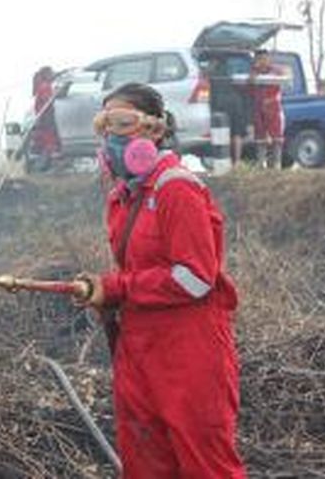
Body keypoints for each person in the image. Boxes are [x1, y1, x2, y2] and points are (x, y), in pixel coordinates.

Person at [76, 83, 246, 478]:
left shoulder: (177, 188)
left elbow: (195, 278)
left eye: (122, 124)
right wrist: (102, 292)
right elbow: (136, 269)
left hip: (190, 352)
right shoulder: (123, 197)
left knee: (206, 465)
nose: (111, 138)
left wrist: (117, 287)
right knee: (144, 465)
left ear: (154, 131)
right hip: (139, 349)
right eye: (104, 126)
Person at [206, 56, 249, 166]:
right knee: (236, 133)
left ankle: (226, 161)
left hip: (221, 104)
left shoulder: (212, 73)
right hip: (237, 103)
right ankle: (237, 161)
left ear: (214, 61)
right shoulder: (237, 68)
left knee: (223, 133)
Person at [249, 50, 285, 169]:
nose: (262, 61)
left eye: (264, 58)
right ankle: (260, 163)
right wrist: (252, 79)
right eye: (259, 59)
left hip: (273, 107)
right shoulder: (253, 72)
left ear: (268, 59)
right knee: (260, 136)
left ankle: (277, 163)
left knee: (277, 136)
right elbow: (248, 90)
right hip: (258, 108)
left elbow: (283, 79)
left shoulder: (276, 71)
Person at [31, 66, 61, 167]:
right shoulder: (45, 86)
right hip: (46, 116)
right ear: (47, 75)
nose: (53, 75)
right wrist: (56, 93)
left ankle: (46, 164)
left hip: (43, 116)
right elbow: (47, 101)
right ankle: (45, 165)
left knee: (46, 140)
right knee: (49, 140)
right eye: (51, 73)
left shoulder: (43, 86)